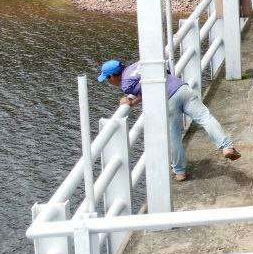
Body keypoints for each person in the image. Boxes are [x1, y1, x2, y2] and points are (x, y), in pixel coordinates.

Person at [98, 58, 240, 182]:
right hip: (182, 88)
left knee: (174, 136)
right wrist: (135, 100)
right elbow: (157, 78)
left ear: (112, 77)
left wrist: (128, 100)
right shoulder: (139, 64)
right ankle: (226, 146)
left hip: (168, 100)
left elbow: (149, 89)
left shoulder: (126, 84)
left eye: (107, 79)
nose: (109, 82)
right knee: (205, 117)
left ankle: (179, 172)